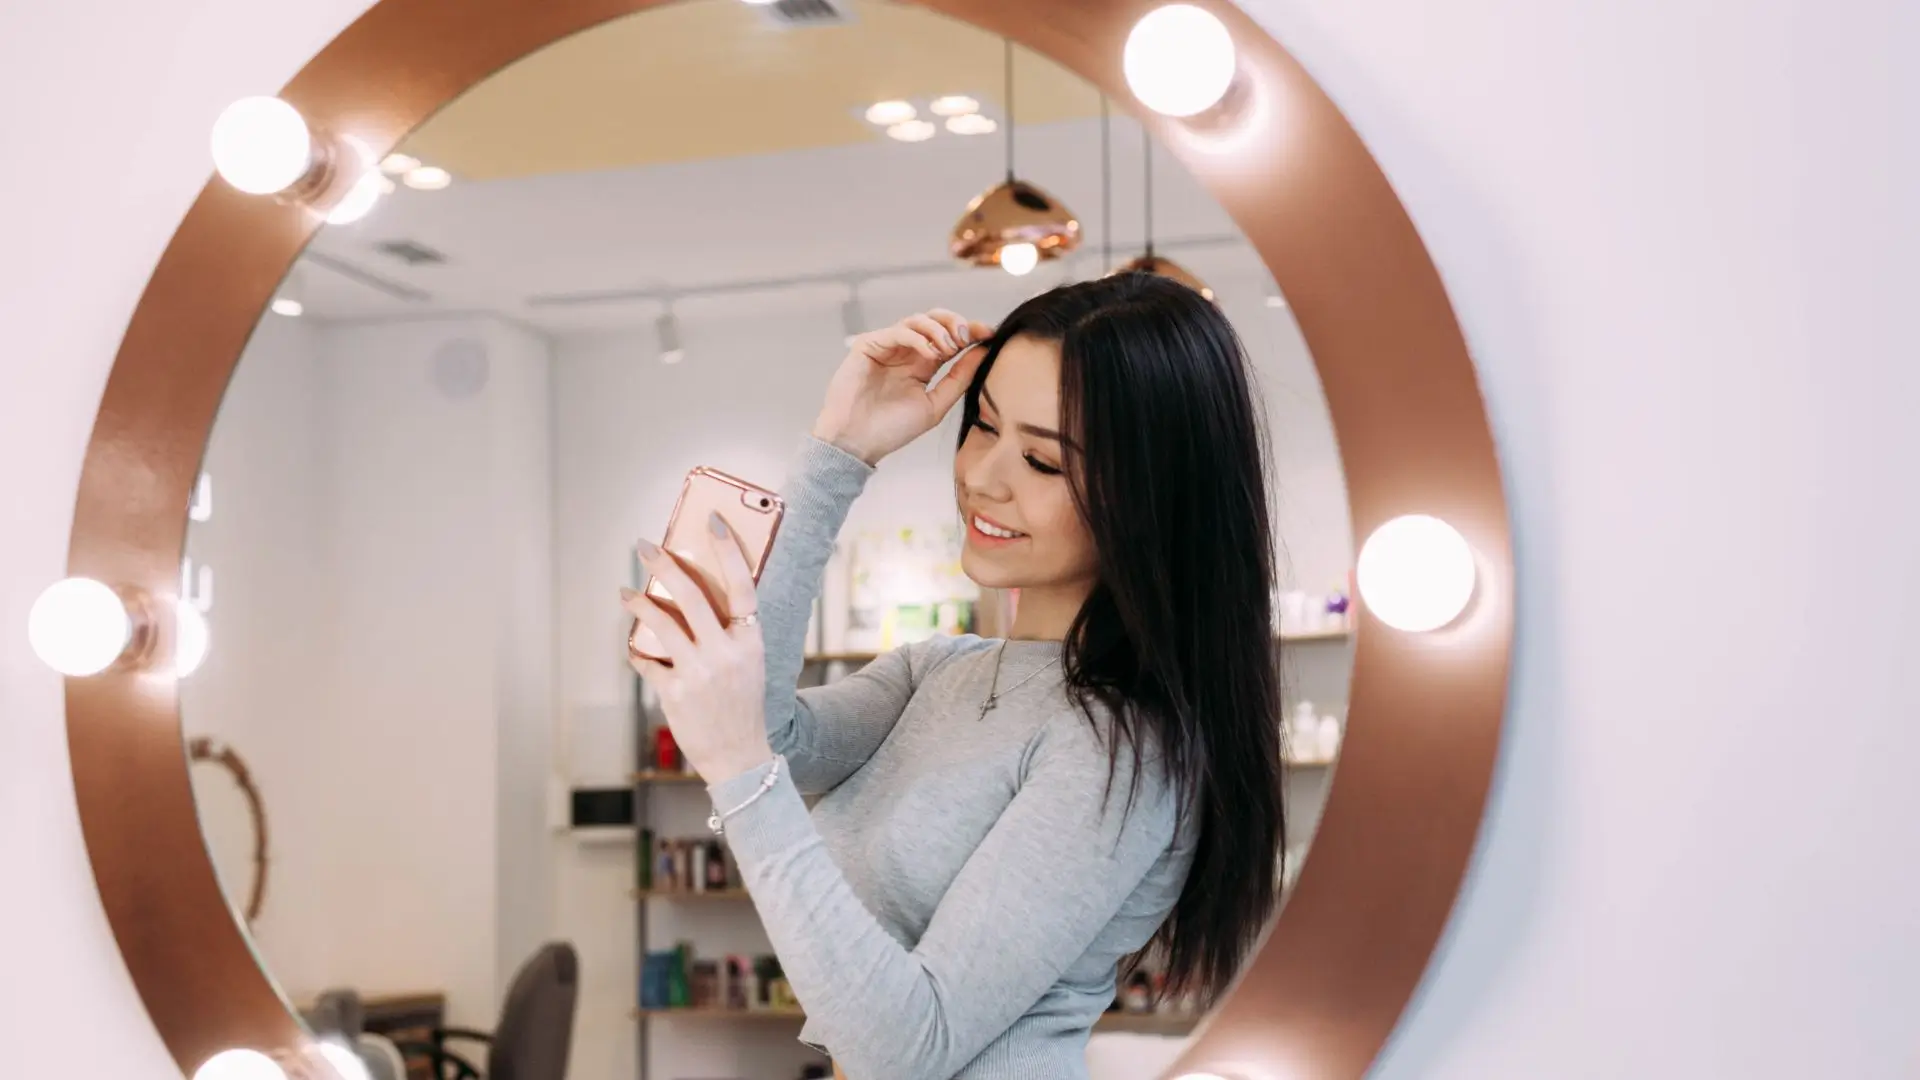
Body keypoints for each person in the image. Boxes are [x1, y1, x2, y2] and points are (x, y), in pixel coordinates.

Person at [621, 273, 1287, 1080]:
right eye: (983, 424)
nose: (983, 476)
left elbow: (908, 1046)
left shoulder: (1122, 748)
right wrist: (841, 449)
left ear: (1152, 498)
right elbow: (772, 741)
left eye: (1043, 460)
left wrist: (738, 766)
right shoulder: (943, 671)